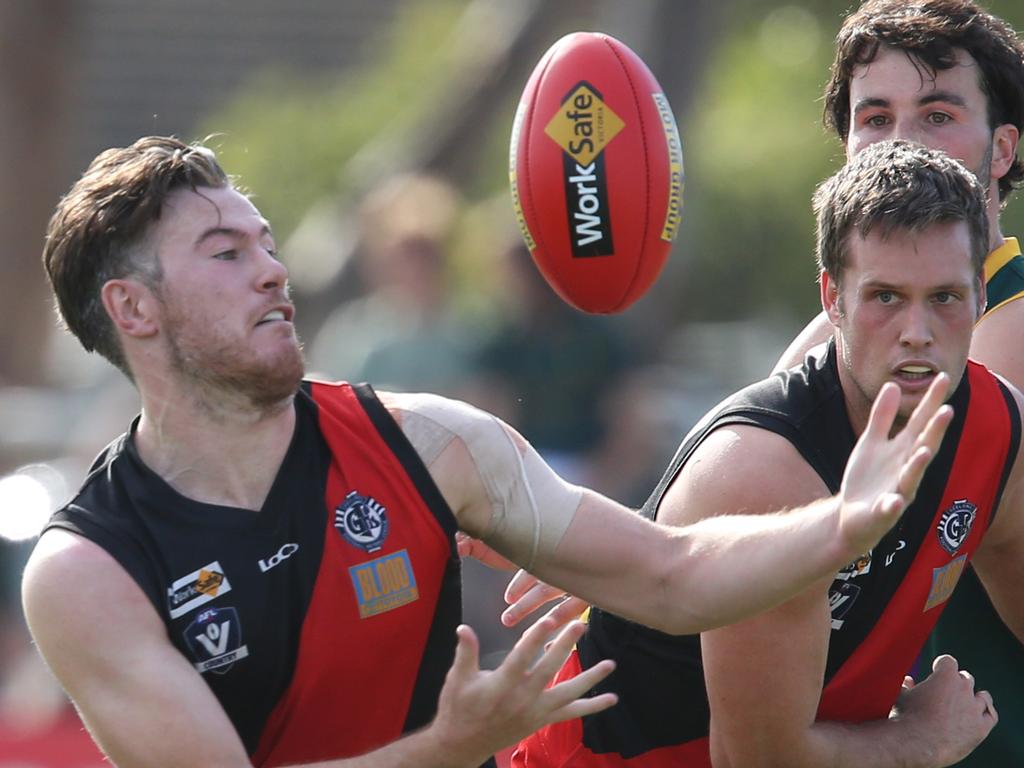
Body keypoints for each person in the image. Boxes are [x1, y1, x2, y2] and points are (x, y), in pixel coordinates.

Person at [17, 136, 951, 768]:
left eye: (266, 242)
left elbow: (673, 575)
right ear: (132, 310)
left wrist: (844, 523)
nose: (272, 266)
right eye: (224, 252)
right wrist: (450, 748)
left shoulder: (429, 441)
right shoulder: (86, 570)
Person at [513, 140, 1024, 767]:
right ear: (832, 298)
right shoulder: (765, 476)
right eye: (885, 297)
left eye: (944, 297)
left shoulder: (999, 423)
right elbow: (759, 759)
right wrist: (922, 739)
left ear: (979, 292)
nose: (916, 331)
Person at [771, 2, 1024, 763]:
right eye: (874, 117)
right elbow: (745, 495)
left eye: (938, 113)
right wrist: (612, 563)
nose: (903, 139)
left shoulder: (1008, 327)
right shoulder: (843, 327)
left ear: (1003, 149)